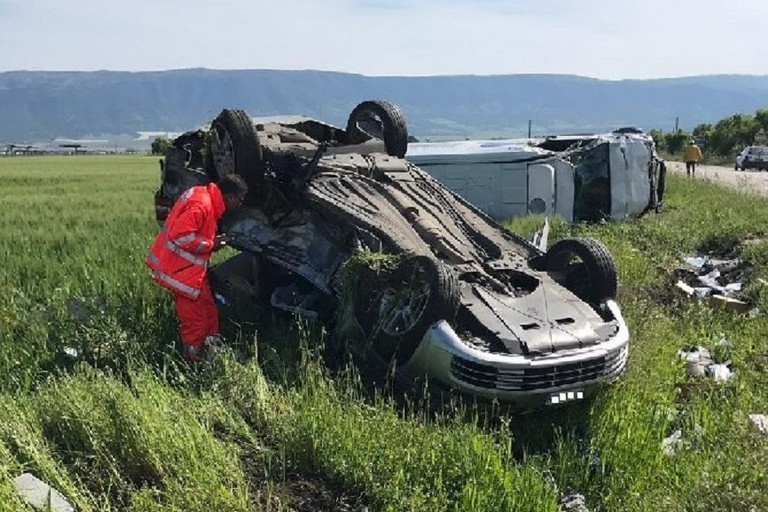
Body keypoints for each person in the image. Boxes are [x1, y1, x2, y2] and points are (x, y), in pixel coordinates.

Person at [146, 174, 248, 361]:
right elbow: (181, 236)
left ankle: (212, 351)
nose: (240, 204)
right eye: (240, 199)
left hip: (191, 273)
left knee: (209, 311)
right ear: (230, 196)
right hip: (181, 274)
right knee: (196, 323)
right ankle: (194, 362)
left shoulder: (203, 195)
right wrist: (211, 244)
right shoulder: (203, 205)